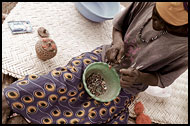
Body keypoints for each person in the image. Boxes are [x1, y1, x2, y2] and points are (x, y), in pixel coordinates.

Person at [2, 2, 188, 124]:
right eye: (155, 16)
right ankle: (12, 99)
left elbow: (163, 79)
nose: (155, 24)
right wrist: (117, 42)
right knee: (64, 79)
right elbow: (118, 26)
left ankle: (29, 118)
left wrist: (139, 77)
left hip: (127, 85)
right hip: (105, 58)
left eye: (165, 25)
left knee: (94, 112)